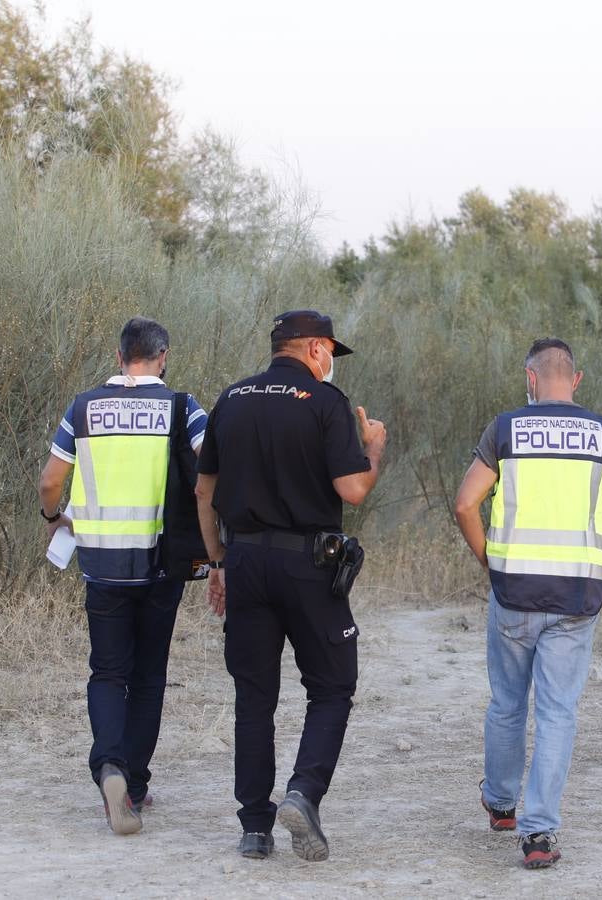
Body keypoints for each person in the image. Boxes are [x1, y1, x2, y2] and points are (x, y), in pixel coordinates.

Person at [194, 310, 386, 862]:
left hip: (247, 561)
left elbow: (204, 494)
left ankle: (255, 828)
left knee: (254, 696)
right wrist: (372, 446)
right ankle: (303, 794)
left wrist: (218, 563)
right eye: (330, 351)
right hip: (310, 566)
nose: (330, 362)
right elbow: (352, 490)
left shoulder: (230, 399)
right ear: (317, 349)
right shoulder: (327, 404)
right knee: (331, 686)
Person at [453, 338, 602, 869]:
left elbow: (466, 502)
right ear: (575, 380)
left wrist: (489, 560)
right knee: (558, 712)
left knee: (507, 703)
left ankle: (502, 804)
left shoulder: (507, 428)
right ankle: (538, 835)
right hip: (578, 595)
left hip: (514, 593)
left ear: (530, 379)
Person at [37, 316, 208, 836]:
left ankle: (108, 767)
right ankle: (133, 785)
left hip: (102, 564)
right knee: (149, 675)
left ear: (118, 356)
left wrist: (55, 517)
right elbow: (212, 473)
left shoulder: (83, 406)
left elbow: (50, 481)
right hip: (161, 562)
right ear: (163, 357)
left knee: (108, 672)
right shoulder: (183, 406)